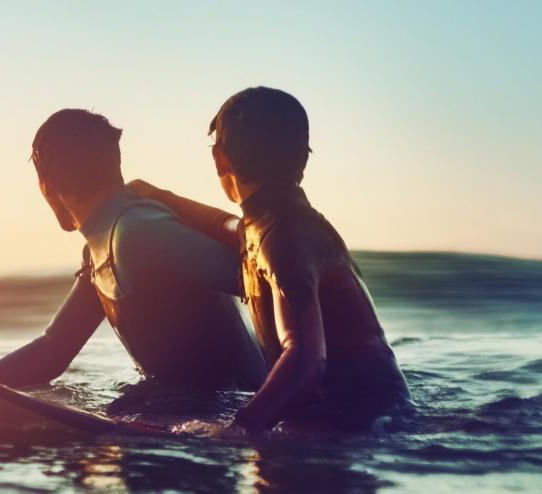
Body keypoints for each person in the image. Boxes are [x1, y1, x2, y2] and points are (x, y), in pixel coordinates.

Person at [134, 87, 411, 434]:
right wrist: (162, 197)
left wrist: (237, 429)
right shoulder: (274, 225)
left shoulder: (286, 238)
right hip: (369, 414)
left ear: (220, 158)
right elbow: (228, 225)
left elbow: (306, 360)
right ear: (304, 156)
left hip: (360, 424)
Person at [0, 109, 266, 402]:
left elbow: (264, 276)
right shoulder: (101, 246)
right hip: (189, 408)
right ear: (114, 164)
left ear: (46, 186)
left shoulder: (137, 232)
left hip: (239, 411)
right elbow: (54, 350)